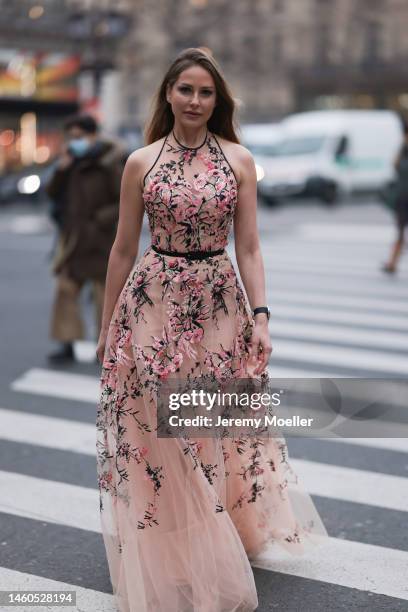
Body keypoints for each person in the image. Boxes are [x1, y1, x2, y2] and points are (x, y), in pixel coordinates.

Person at [96, 48, 328, 612]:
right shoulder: (141, 161)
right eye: (186, 90)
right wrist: (106, 327)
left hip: (220, 303)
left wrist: (262, 315)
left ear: (217, 100)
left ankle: (217, 528)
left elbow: (248, 246)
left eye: (206, 93)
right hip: (153, 302)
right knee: (160, 430)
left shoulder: (240, 160)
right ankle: (178, 539)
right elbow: (124, 247)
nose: (196, 101)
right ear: (168, 95)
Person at [46, 114, 124, 363]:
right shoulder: (71, 161)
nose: (74, 141)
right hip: (74, 239)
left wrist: (99, 221)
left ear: (93, 136)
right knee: (65, 291)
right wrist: (61, 169)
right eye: (71, 137)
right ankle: (67, 343)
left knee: (104, 296)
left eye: (79, 137)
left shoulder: (109, 163)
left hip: (100, 240)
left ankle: (105, 348)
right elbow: (51, 193)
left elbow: (124, 201)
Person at [382, 120, 408, 274]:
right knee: (399, 233)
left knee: (400, 233)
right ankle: (392, 263)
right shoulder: (402, 151)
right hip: (402, 201)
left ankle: (392, 263)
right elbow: (394, 166)